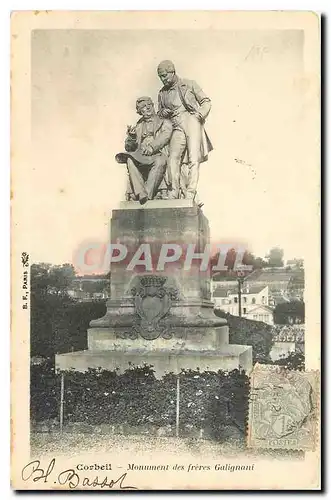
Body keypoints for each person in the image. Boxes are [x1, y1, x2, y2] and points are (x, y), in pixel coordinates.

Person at [157, 60, 213, 201]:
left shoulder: (189, 84)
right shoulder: (162, 93)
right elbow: (160, 113)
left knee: (194, 159)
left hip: (191, 121)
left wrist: (199, 115)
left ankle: (190, 192)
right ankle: (174, 192)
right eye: (160, 77)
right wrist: (164, 112)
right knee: (173, 158)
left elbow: (206, 101)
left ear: (173, 72)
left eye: (164, 75)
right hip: (176, 126)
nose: (163, 79)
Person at [115, 96, 172, 204]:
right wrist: (131, 137)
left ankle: (147, 194)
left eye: (149, 105)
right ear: (140, 112)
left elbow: (165, 136)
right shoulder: (139, 125)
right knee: (130, 160)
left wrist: (152, 147)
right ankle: (140, 193)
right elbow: (129, 148)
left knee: (160, 162)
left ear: (153, 105)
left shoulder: (164, 122)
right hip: (141, 154)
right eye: (144, 107)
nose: (148, 108)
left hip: (158, 153)